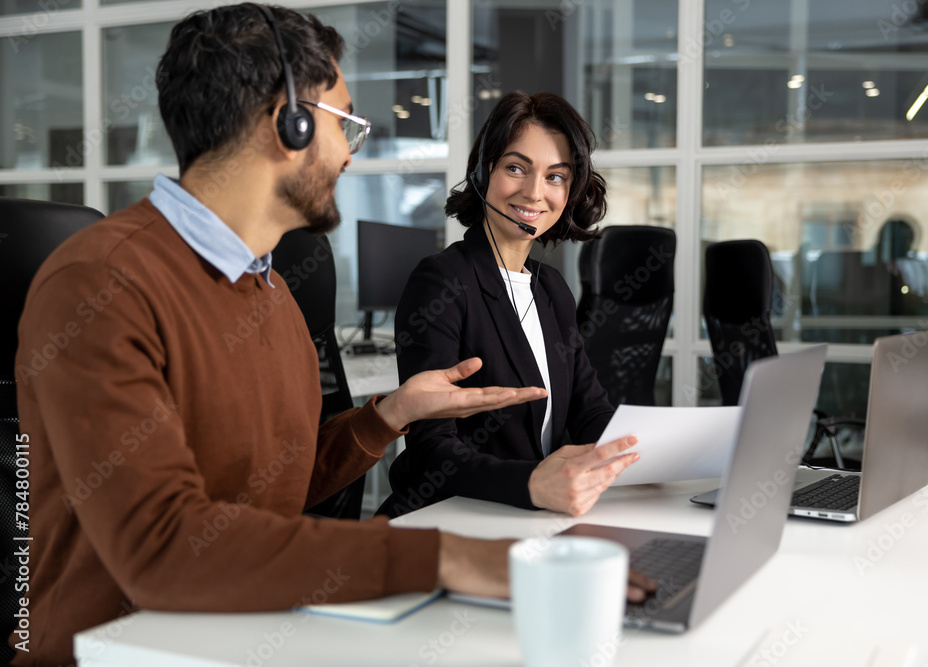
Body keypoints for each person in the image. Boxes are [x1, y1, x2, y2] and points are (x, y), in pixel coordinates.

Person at [10, 6, 559, 664]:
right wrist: (445, 556)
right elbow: (161, 545)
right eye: (346, 124)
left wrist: (389, 415)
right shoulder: (102, 282)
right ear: (288, 122)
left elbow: (267, 490)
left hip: (242, 633)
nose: (351, 154)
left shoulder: (268, 288)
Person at [378, 91, 639, 519]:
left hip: (529, 516)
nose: (535, 193)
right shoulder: (442, 280)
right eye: (516, 168)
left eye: (556, 176)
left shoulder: (550, 288)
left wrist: (640, 453)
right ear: (483, 173)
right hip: (451, 516)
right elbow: (431, 448)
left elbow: (589, 409)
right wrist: (533, 483)